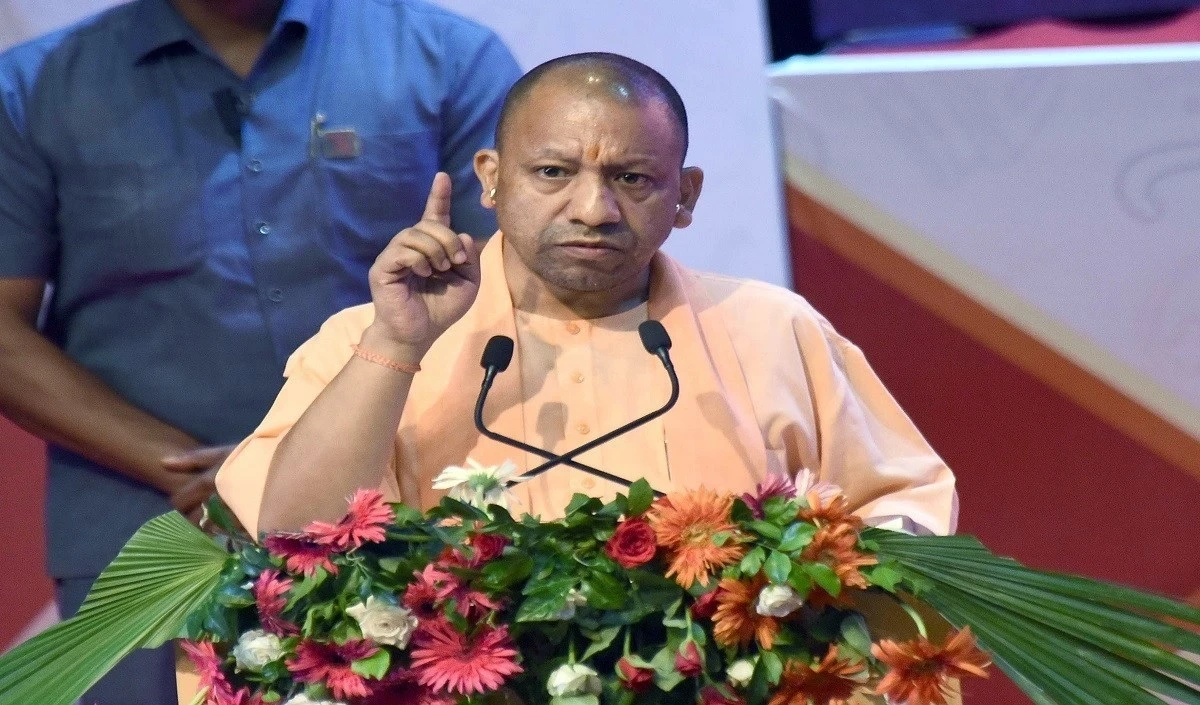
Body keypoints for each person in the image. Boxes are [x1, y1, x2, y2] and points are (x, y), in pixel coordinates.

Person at [215, 51, 957, 548]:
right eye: (553, 172)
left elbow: (904, 513)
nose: (593, 209)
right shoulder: (369, 337)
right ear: (491, 178)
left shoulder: (771, 328)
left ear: (685, 195)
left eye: (632, 178)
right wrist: (398, 345)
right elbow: (293, 540)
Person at [0, 0, 520, 702]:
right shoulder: (35, 87)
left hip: (397, 514)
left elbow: (509, 285)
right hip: (145, 526)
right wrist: (201, 469)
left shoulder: (447, 59)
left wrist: (303, 463)